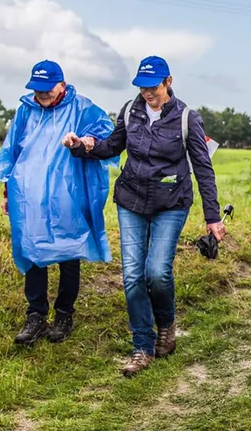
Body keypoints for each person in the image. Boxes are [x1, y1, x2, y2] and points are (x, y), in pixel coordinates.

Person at [63, 55, 226, 377]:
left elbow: (203, 170)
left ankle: (166, 325)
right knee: (132, 275)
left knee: (156, 272)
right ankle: (142, 347)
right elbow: (111, 146)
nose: (147, 93)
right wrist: (81, 147)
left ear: (169, 82)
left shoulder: (187, 119)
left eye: (153, 87)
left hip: (171, 203)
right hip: (131, 201)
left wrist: (212, 217)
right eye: (142, 87)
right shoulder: (130, 111)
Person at [0, 60, 116, 346]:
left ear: (62, 84)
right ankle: (35, 315)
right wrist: (8, 193)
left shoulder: (82, 108)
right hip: (31, 195)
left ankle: (64, 314)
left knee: (68, 251)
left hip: (67, 194)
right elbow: (12, 151)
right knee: (33, 249)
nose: (42, 95)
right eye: (37, 90)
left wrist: (83, 140)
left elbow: (107, 137)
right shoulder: (25, 110)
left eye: (47, 89)